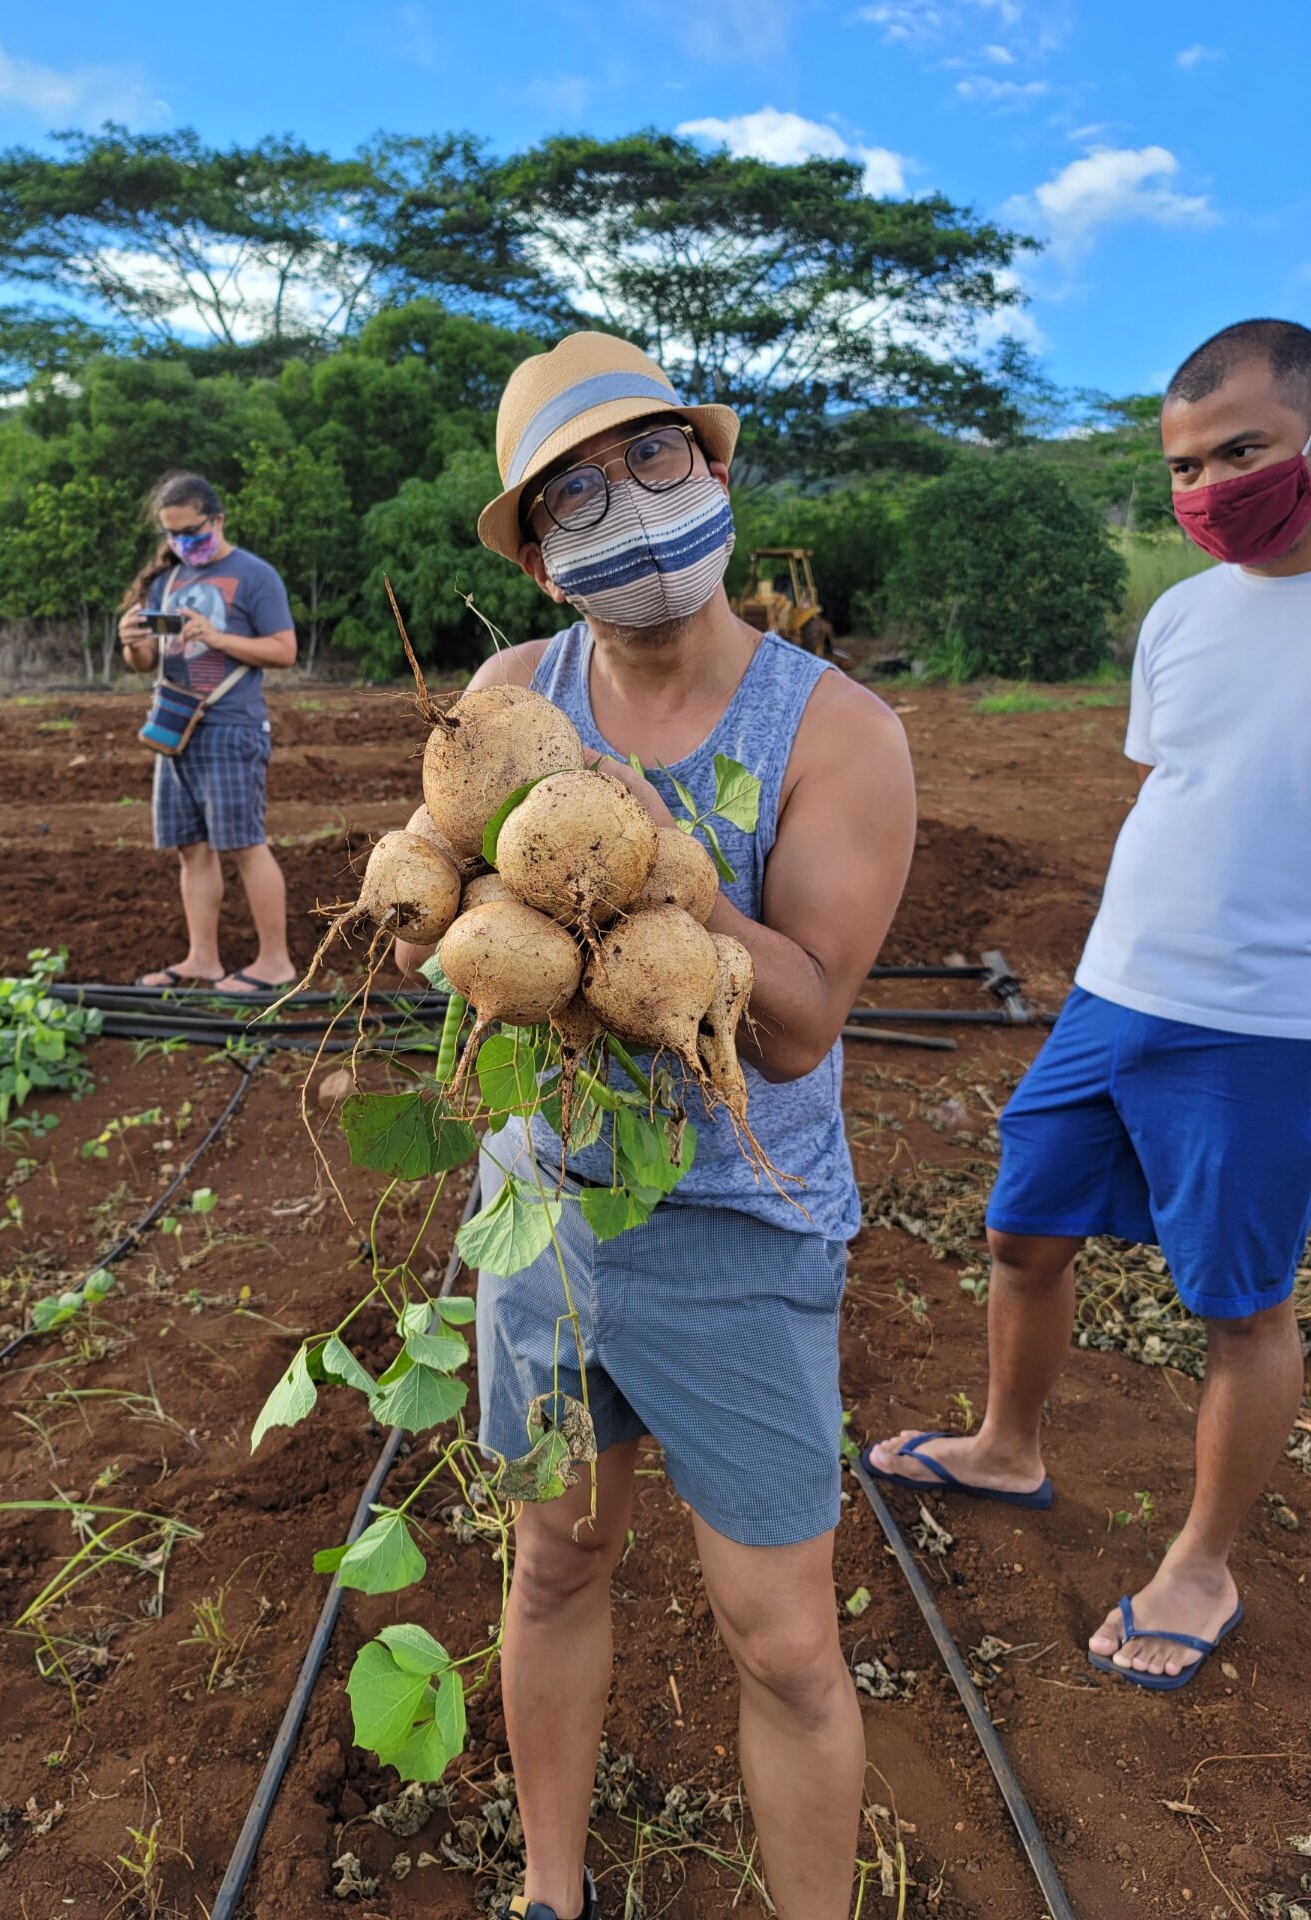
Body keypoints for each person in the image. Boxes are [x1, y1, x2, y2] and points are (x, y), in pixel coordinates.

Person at [396, 333, 916, 1920]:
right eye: (572, 494)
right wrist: (440, 885)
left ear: (716, 473)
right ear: (543, 560)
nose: (622, 506)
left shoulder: (836, 735)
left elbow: (809, 1011)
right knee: (552, 1560)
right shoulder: (505, 694)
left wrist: (648, 851)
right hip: (541, 1215)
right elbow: (460, 894)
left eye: (651, 462)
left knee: (783, 1641)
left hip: (737, 1231)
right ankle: (553, 1896)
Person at [870, 318, 1311, 1691]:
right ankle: (1010, 1443)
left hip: (1265, 1028)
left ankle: (1204, 1563)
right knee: (1021, 1231)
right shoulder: (1180, 618)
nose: (1206, 489)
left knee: (1240, 1309)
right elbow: (1182, 791)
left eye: (1241, 450)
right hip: (1114, 995)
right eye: (1182, 466)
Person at [117, 471, 298, 992]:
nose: (182, 545)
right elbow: (145, 660)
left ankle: (275, 963)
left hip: (230, 727)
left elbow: (284, 650)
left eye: (192, 534)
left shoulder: (255, 575)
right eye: (172, 536)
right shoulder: (165, 581)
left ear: (217, 521)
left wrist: (217, 637)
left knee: (245, 844)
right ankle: (202, 959)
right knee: (191, 848)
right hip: (176, 729)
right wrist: (131, 641)